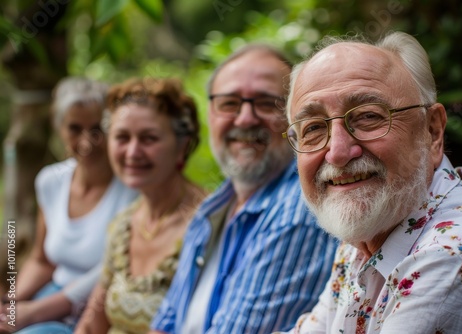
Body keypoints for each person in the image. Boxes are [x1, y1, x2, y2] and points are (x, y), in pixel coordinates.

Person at [281, 31, 462, 333]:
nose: (338, 152)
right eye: (314, 127)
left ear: (432, 131)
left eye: (368, 116)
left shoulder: (450, 257)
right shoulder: (371, 231)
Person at [149, 45, 338, 334]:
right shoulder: (213, 207)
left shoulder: (298, 210)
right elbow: (166, 323)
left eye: (266, 103)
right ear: (210, 114)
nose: (245, 119)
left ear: (296, 119)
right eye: (229, 103)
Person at [0, 77, 138, 333]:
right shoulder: (51, 181)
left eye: (97, 130)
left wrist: (31, 313)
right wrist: (10, 302)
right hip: (50, 295)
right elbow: (42, 261)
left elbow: (107, 276)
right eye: (75, 129)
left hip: (96, 310)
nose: (86, 142)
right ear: (59, 128)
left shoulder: (133, 191)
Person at [74, 77, 207, 334]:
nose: (133, 152)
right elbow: (93, 321)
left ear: (182, 146)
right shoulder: (123, 224)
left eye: (149, 138)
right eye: (122, 137)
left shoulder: (208, 223)